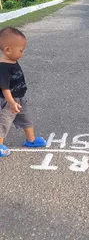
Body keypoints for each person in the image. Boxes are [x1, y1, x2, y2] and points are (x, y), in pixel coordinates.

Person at [0, 26, 46, 157]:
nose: (23, 53)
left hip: (20, 98)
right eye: (20, 50)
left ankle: (31, 140)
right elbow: (4, 87)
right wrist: (11, 102)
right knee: (3, 123)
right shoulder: (3, 67)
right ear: (7, 50)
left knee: (27, 119)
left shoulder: (12, 61)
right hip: (7, 102)